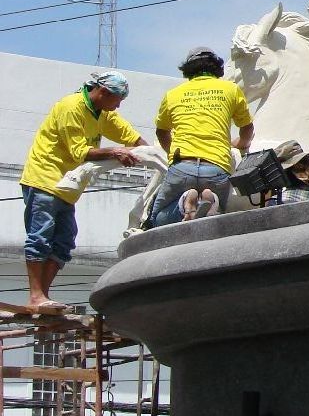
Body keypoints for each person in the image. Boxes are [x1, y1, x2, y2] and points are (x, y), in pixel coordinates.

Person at [20, 70, 149, 311]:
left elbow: (130, 137)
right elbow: (78, 151)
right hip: (44, 178)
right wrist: (114, 152)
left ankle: (42, 296)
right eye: (118, 99)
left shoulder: (103, 113)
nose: (119, 105)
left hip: (68, 187)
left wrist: (154, 155)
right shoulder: (71, 107)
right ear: (103, 92)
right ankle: (36, 296)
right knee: (40, 238)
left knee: (64, 241)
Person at [149, 47, 254, 226]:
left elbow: (161, 132)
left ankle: (184, 203)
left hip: (182, 166)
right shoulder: (231, 89)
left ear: (188, 69)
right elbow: (247, 128)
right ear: (217, 67)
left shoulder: (173, 94)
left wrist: (172, 153)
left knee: (157, 218)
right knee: (212, 223)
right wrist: (240, 144)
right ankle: (212, 200)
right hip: (216, 168)